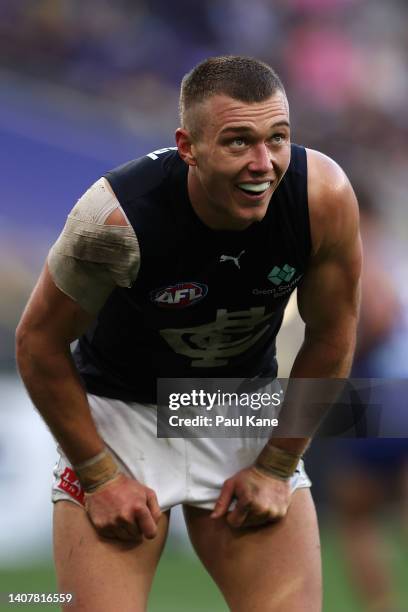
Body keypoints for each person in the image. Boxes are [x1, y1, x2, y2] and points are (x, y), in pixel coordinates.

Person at [15, 56, 361, 612]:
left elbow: (332, 336)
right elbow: (37, 343)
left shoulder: (322, 197)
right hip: (120, 416)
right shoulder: (114, 219)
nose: (263, 164)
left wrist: (275, 467)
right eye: (238, 142)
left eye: (278, 138)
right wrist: (99, 474)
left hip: (235, 407)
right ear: (187, 146)